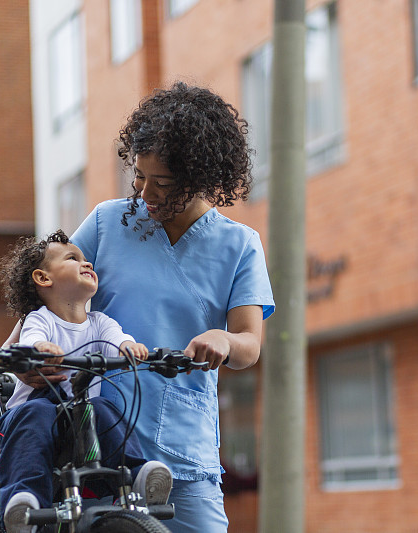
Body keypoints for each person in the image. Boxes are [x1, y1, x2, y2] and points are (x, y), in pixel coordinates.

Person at [70, 82, 276, 532]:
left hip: (183, 448)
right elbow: (48, 291)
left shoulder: (239, 246)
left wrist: (224, 338)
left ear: (200, 177)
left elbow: (249, 345)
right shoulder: (107, 222)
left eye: (161, 183)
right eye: (139, 177)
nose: (145, 193)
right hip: (97, 443)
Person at [0, 230, 173, 533]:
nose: (86, 263)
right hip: (32, 418)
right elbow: (31, 340)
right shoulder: (41, 319)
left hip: (77, 420)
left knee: (103, 408)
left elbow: (118, 339)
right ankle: (23, 500)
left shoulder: (100, 322)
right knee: (35, 413)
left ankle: (138, 476)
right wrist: (39, 349)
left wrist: (128, 347)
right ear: (43, 278)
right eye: (73, 258)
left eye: (86, 259)